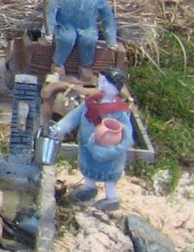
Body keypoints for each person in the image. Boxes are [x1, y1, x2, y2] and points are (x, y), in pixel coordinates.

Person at [46, 70, 133, 211]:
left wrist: (112, 150)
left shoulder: (119, 111)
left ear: (116, 87)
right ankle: (89, 187)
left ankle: (112, 197)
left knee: (109, 178)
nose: (102, 84)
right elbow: (74, 117)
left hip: (108, 154)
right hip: (87, 149)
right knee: (89, 171)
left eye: (106, 82)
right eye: (101, 80)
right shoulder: (91, 103)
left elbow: (126, 135)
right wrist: (59, 128)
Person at [46, 0, 117, 75]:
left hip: (88, 28)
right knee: (66, 39)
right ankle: (58, 64)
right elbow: (50, 14)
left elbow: (108, 18)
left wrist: (111, 38)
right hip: (66, 27)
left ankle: (86, 66)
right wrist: (48, 32)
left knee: (89, 40)